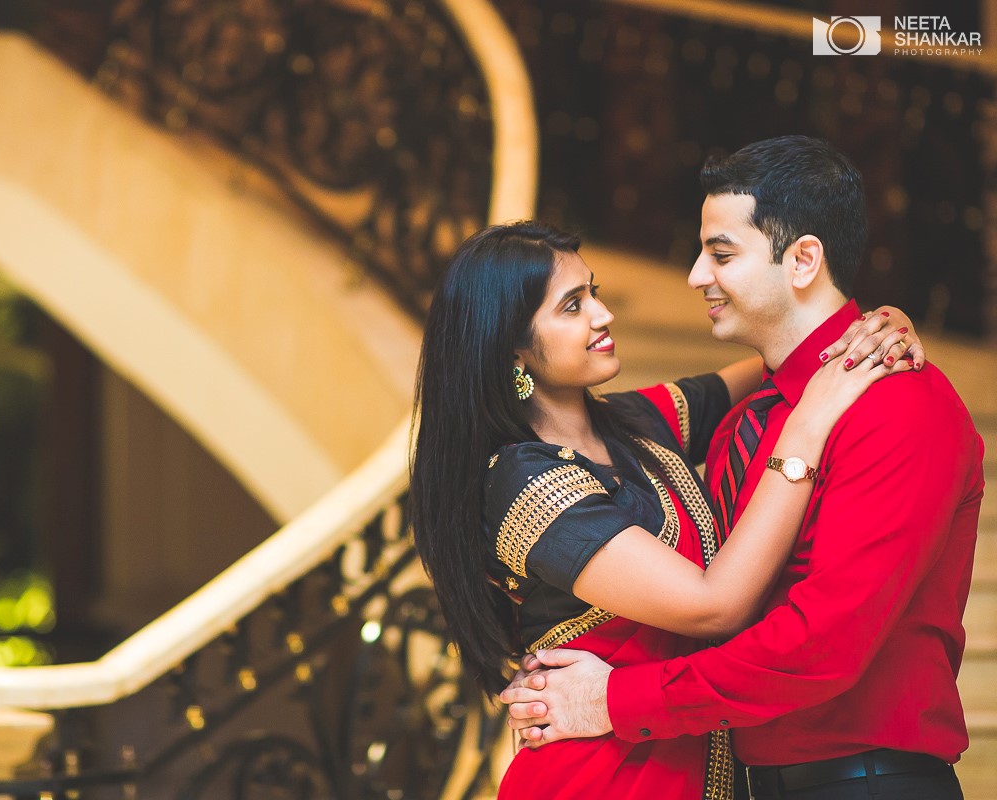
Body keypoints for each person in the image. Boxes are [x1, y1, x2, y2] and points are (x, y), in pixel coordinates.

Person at [502, 136, 985, 800]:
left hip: (869, 780)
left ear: (803, 260)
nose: (697, 276)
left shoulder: (899, 404)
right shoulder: (740, 419)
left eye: (721, 254)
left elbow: (822, 646)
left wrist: (615, 699)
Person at [409, 218, 919, 798]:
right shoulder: (526, 483)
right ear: (513, 349)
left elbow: (787, 356)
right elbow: (712, 606)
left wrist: (872, 326)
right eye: (572, 307)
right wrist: (804, 432)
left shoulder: (631, 420)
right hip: (600, 775)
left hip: (682, 764)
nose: (603, 315)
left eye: (593, 291)